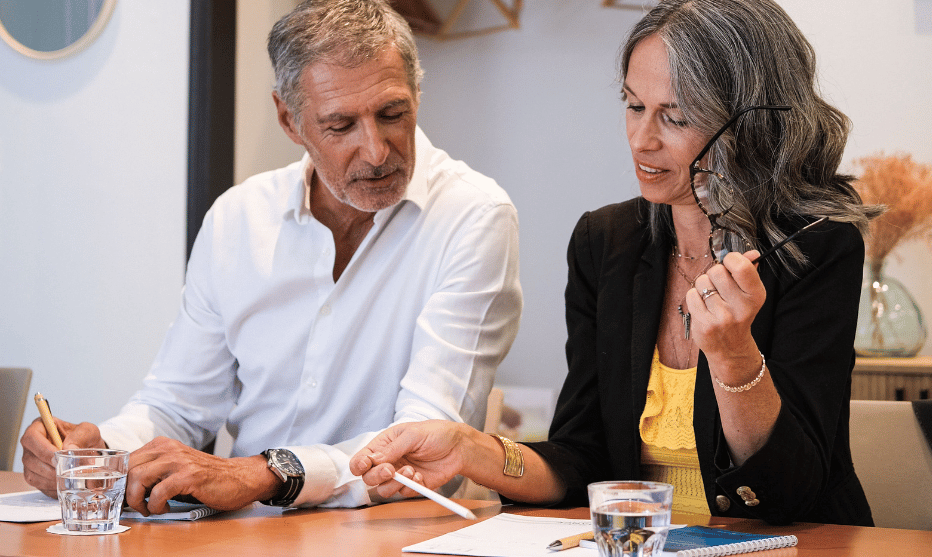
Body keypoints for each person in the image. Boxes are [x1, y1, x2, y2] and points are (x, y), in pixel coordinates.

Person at [351, 0, 879, 526]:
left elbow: (791, 494)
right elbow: (582, 457)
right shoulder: (606, 242)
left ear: (750, 121)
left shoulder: (817, 245)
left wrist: (733, 356)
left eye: (675, 117)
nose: (641, 139)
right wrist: (472, 450)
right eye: (633, 106)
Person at [20, 0, 521, 516]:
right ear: (289, 118)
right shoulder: (238, 217)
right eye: (340, 125)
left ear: (417, 94)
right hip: (236, 536)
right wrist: (96, 449)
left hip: (388, 533)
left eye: (392, 114)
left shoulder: (474, 216)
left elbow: (417, 445)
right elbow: (178, 405)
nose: (375, 150)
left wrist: (263, 473)